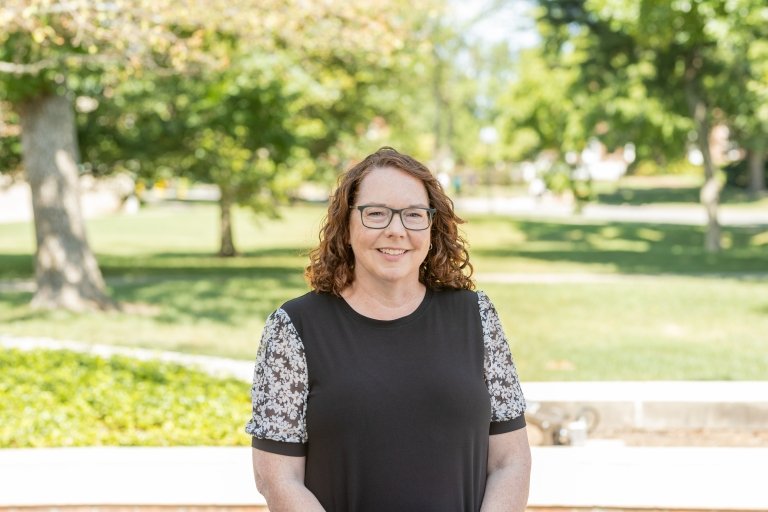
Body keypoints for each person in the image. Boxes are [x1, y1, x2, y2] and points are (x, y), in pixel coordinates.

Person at [245, 147, 531, 511]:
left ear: (431, 226)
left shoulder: (477, 317)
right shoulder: (293, 328)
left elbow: (511, 461)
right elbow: (276, 477)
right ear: (345, 227)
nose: (396, 230)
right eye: (375, 214)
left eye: (413, 215)